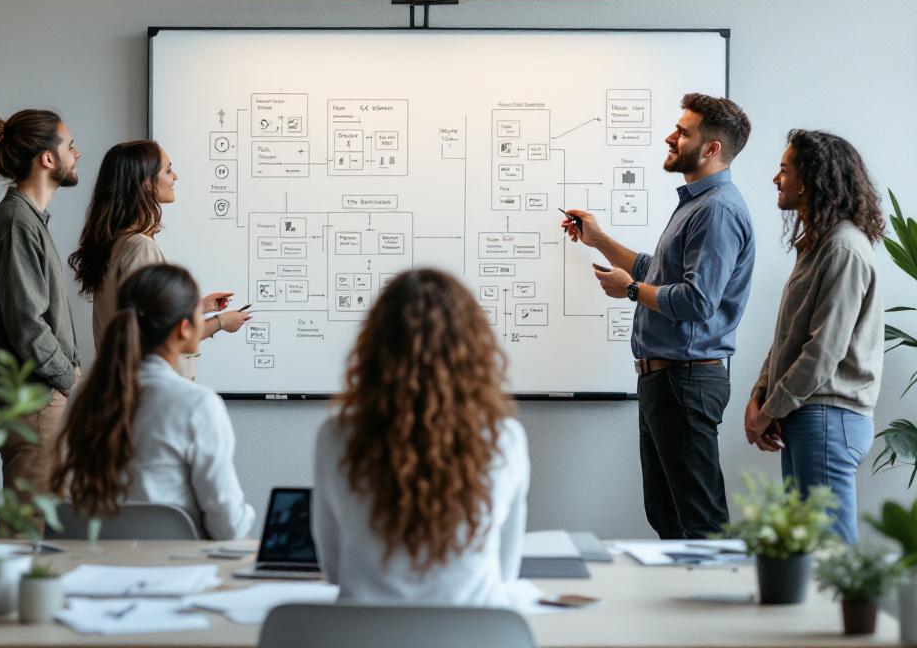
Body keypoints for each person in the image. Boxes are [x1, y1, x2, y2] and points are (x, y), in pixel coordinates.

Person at [563, 93, 754, 539]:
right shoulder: (695, 204)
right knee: (668, 516)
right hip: (665, 382)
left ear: (711, 149)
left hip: (684, 381)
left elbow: (696, 301)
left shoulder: (717, 210)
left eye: (683, 132)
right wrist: (600, 240)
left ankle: (715, 609)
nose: (671, 137)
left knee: (699, 521)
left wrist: (629, 290)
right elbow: (657, 271)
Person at [311, 268, 529, 605]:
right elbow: (506, 571)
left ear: (375, 347)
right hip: (474, 639)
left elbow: (334, 571)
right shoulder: (504, 439)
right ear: (473, 347)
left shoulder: (336, 435)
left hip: (363, 640)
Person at [744, 130, 883, 543]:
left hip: (829, 417)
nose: (775, 179)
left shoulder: (844, 249)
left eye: (784, 170)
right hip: (808, 415)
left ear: (810, 179)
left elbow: (823, 352)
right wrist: (761, 396)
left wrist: (770, 410)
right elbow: (788, 334)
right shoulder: (818, 246)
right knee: (808, 549)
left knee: (830, 551)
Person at [50, 264, 255, 539]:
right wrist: (248, 512)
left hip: (94, 567)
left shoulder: (83, 396)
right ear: (184, 328)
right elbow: (228, 527)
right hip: (176, 574)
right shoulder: (198, 405)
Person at [68, 140, 249, 380]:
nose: (175, 176)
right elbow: (158, 336)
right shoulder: (140, 248)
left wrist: (199, 307)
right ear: (147, 184)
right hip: (149, 390)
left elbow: (139, 317)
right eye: (168, 170)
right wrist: (222, 321)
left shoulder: (116, 242)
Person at [0, 110, 82, 495]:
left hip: (41, 397)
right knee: (29, 535)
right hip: (35, 401)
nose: (76, 153)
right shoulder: (17, 223)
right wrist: (68, 378)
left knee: (43, 533)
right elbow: (27, 325)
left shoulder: (28, 220)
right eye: (69, 145)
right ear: (47, 159)